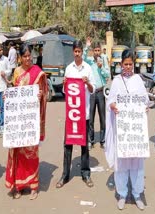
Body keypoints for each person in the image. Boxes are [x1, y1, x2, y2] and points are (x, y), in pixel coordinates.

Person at [105, 49, 148, 211]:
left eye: (130, 64)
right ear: (121, 64)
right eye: (125, 64)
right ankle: (122, 193)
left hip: (134, 132)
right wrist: (113, 106)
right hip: (122, 130)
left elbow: (144, 100)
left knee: (137, 162)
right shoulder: (116, 81)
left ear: (134, 64)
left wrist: (145, 108)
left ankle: (137, 194)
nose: (128, 67)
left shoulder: (138, 80)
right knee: (121, 162)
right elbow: (111, 100)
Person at [5, 44, 48, 200]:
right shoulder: (16, 72)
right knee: (18, 152)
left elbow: (44, 93)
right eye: (25, 56)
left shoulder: (37, 72)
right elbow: (15, 93)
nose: (28, 59)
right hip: (19, 120)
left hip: (32, 118)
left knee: (31, 153)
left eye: (30, 55)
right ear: (20, 57)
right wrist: (7, 97)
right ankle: (18, 185)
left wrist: (41, 95)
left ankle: (33, 186)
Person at [56, 40, 96, 189]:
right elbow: (65, 92)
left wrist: (87, 83)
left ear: (82, 52)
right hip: (72, 115)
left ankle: (86, 174)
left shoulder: (88, 68)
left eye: (79, 51)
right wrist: (64, 83)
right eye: (76, 51)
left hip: (83, 114)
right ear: (73, 52)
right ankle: (65, 175)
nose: (78, 54)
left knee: (84, 145)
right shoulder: (69, 69)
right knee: (68, 145)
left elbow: (92, 90)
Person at [83, 38, 110, 150]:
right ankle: (91, 140)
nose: (97, 53)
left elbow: (107, 75)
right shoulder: (89, 61)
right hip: (91, 92)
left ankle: (103, 140)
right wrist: (87, 46)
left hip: (101, 92)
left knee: (103, 117)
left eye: (99, 50)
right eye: (95, 50)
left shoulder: (103, 60)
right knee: (91, 117)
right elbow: (82, 58)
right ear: (93, 51)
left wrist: (101, 67)